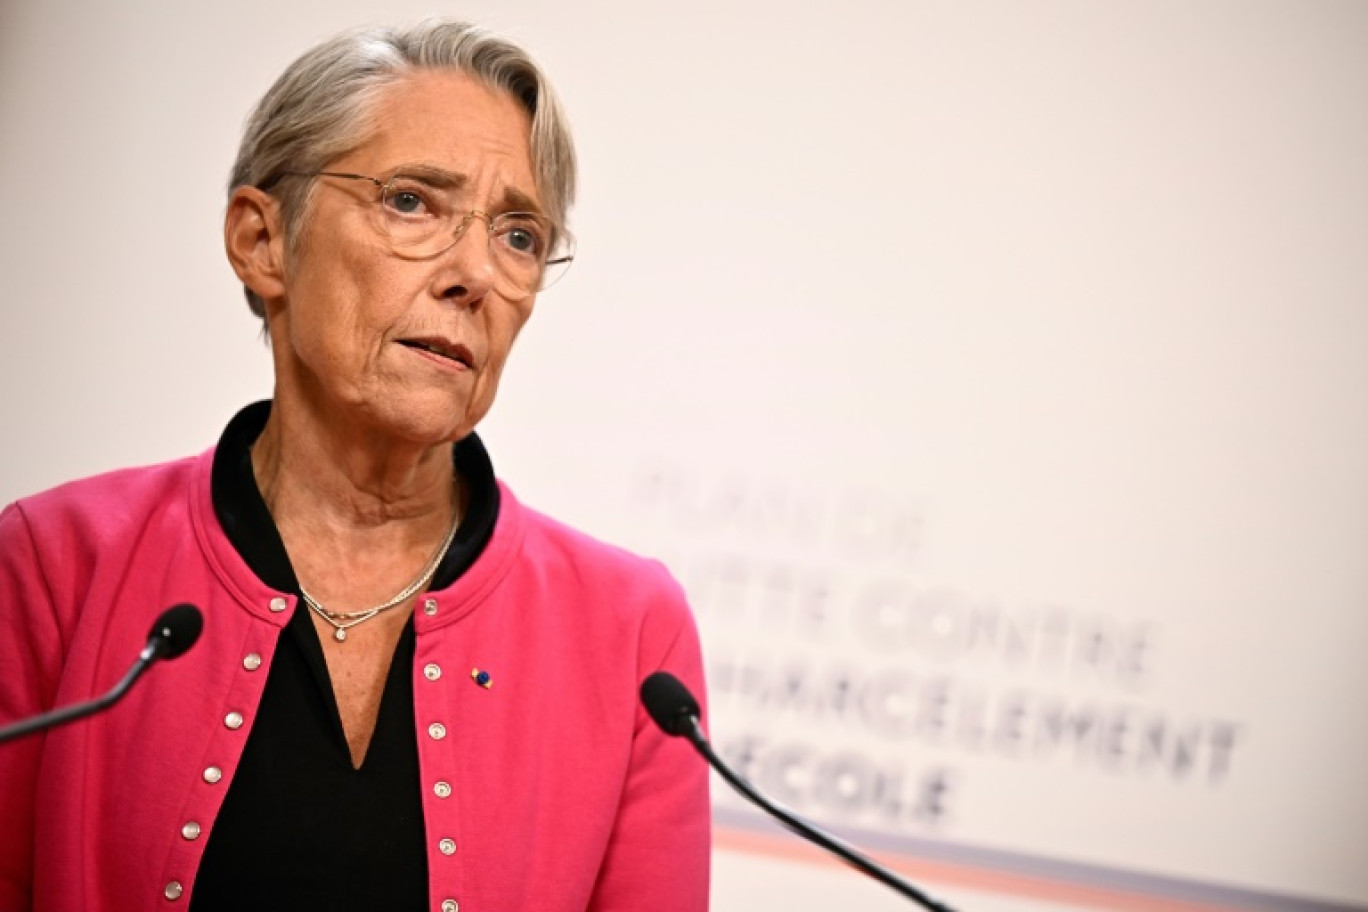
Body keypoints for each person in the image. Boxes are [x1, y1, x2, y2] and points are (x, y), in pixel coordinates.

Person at [0, 20, 709, 912]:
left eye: (520, 235)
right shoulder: (57, 563)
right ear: (263, 241)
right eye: (412, 202)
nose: (475, 275)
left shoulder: (632, 634)